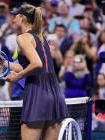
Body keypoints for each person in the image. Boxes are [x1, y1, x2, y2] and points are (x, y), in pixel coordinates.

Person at [6, 4, 68, 140]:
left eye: (16, 15)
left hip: (37, 92)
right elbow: (33, 67)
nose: (13, 19)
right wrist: (5, 64)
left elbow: (36, 64)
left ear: (22, 18)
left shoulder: (22, 38)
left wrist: (17, 77)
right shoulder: (41, 37)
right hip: (55, 94)